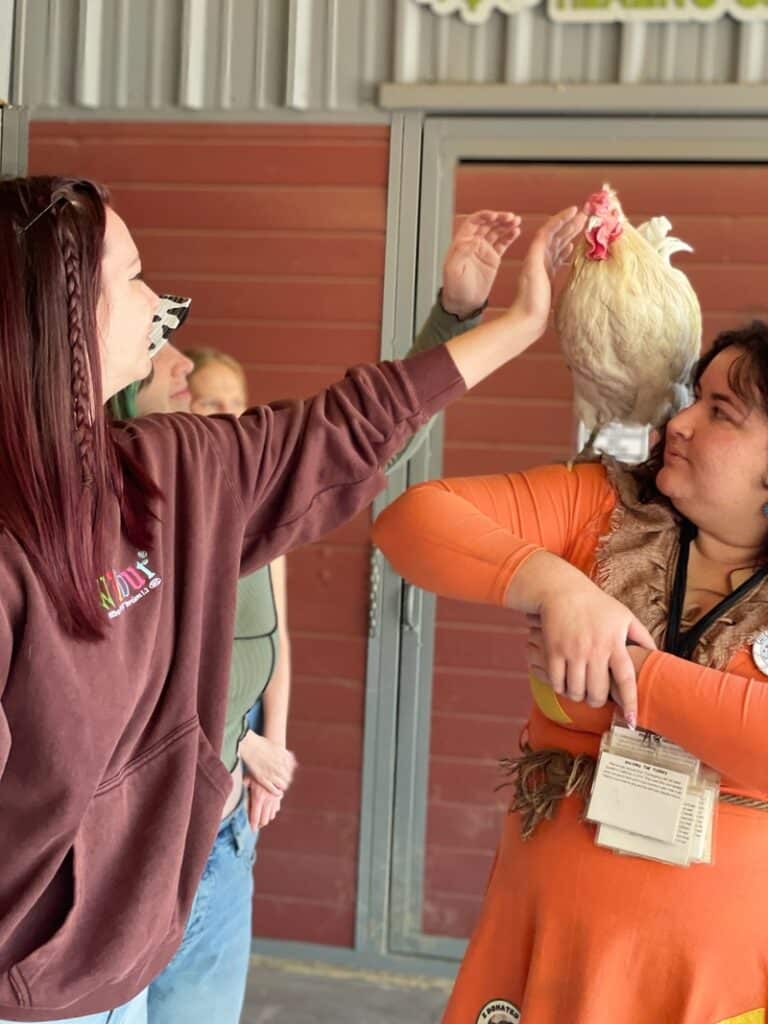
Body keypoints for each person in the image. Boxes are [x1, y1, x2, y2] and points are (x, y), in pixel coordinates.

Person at [0, 174, 581, 1024]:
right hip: (32, 990)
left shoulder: (166, 471)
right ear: (63, 314)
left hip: (147, 929)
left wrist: (514, 326)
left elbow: (346, 429)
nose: (157, 301)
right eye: (131, 277)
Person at [126, 209, 523, 1024]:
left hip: (224, 821)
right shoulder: (119, 507)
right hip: (148, 821)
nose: (177, 357)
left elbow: (362, 444)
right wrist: (231, 744)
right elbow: (104, 683)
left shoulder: (223, 498)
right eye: (159, 339)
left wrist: (456, 318)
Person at [373, 319, 768, 1024]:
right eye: (694, 397)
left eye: (720, 412)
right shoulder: (606, 507)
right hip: (547, 950)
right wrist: (558, 587)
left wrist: (631, 673)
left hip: (716, 984)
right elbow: (410, 520)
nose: (678, 421)